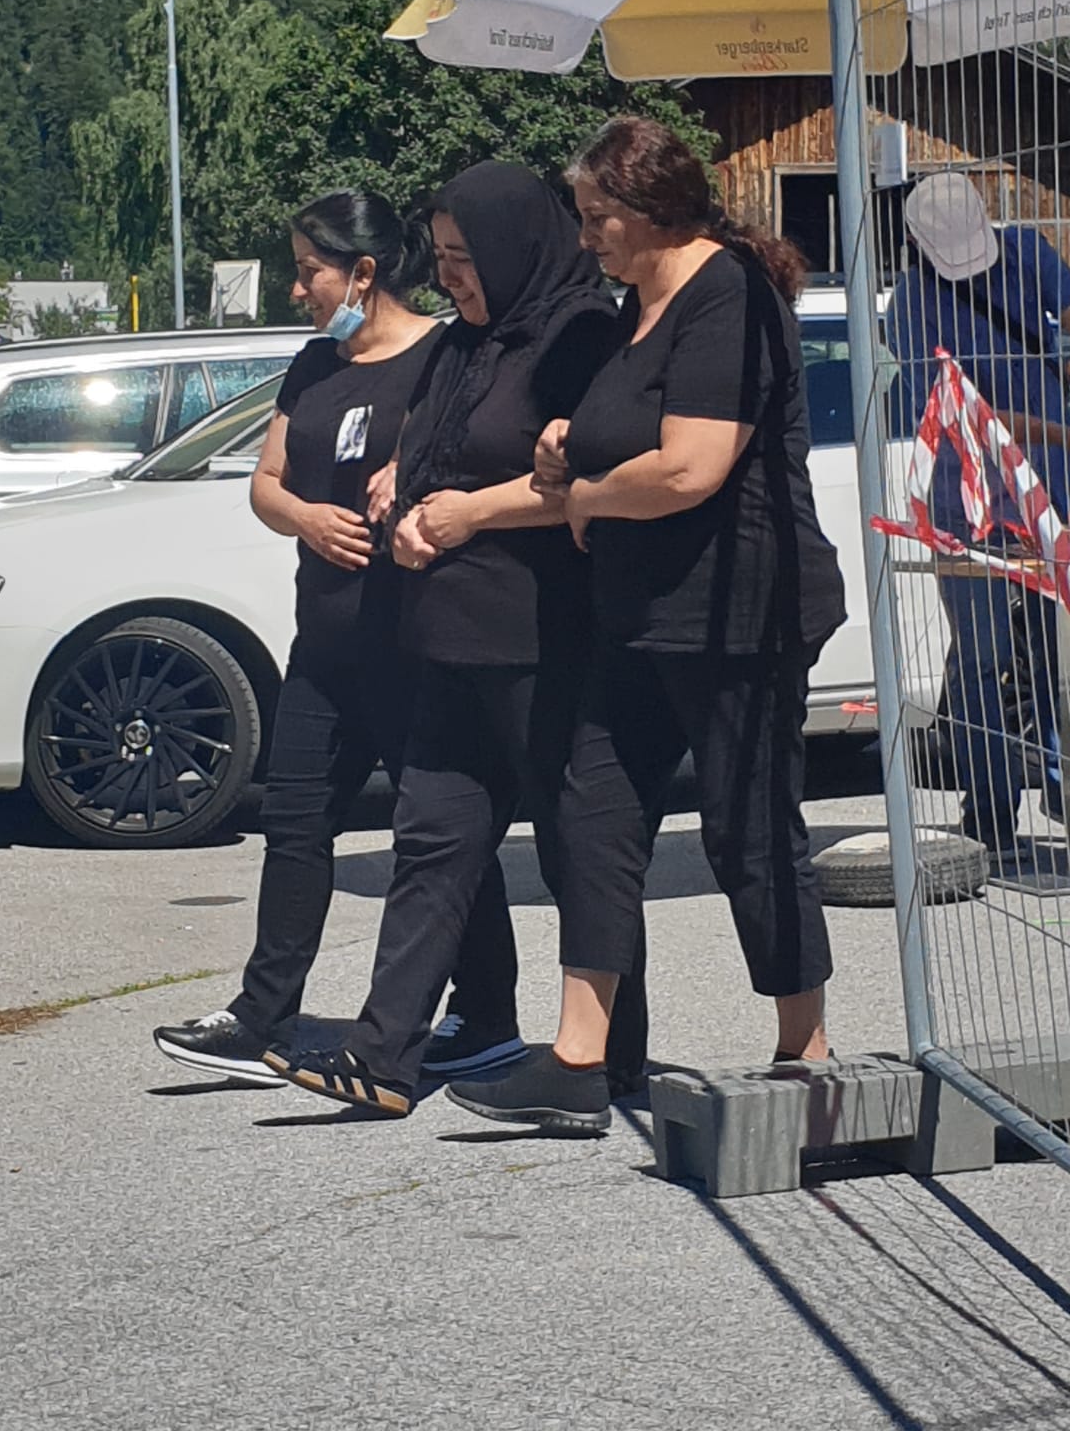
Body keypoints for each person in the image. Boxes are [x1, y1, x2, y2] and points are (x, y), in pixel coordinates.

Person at [446, 116, 847, 1134]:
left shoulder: (731, 296)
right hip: (640, 615)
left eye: (597, 218)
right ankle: (579, 1061)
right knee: (592, 818)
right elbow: (620, 435)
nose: (586, 238)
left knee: (748, 830)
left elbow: (690, 467)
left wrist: (584, 496)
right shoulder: (636, 305)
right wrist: (565, 448)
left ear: (652, 209)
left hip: (740, 612)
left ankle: (805, 1047)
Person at [263, 160, 648, 1116]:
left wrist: (467, 513)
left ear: (513, 248)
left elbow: (588, 480)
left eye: (463, 258)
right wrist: (402, 498)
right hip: (445, 635)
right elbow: (425, 448)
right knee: (430, 839)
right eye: (438, 257)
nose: (449, 278)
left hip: (541, 638)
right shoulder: (464, 344)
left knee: (573, 850)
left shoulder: (579, 334)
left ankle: (607, 1058)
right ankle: (382, 1057)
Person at [154, 189, 524, 1085]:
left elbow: (470, 455)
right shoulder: (316, 362)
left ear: (363, 272)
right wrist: (307, 518)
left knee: (437, 835)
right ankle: (261, 1014)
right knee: (293, 824)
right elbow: (267, 481)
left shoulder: (443, 354)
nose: (298, 290)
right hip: (323, 644)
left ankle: (486, 1014)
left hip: (414, 641)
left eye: (309, 271)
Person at [885, 172, 1070, 862]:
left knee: (1055, 652)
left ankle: (1056, 784)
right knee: (984, 653)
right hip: (966, 500)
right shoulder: (910, 303)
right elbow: (960, 413)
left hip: (1050, 495)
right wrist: (1059, 431)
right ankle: (990, 806)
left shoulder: (1026, 251)